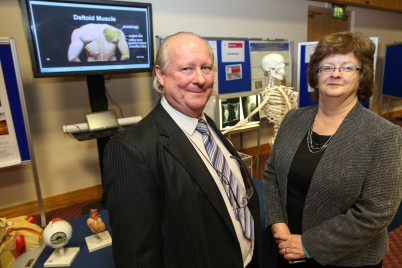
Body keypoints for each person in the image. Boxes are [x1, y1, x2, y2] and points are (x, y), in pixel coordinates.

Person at [103, 32, 263, 267]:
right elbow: (137, 256)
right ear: (160, 74)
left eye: (206, 68)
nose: (200, 79)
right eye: (187, 68)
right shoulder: (131, 149)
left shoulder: (206, 124)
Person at [263, 31, 402, 267]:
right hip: (285, 245)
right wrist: (278, 224)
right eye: (327, 67)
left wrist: (308, 244)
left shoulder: (383, 134)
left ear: (362, 77)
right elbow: (271, 174)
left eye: (347, 67)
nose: (336, 74)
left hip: (347, 258)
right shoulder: (293, 119)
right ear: (315, 76)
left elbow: (377, 211)